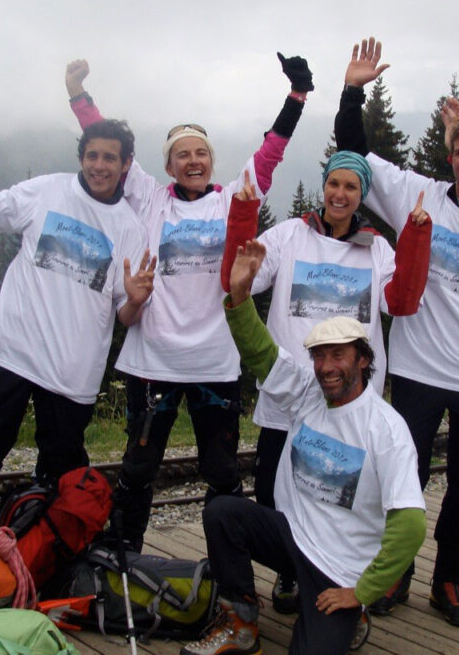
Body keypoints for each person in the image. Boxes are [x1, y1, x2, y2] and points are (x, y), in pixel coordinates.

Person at [66, 54, 312, 550]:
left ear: (212, 161)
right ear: (167, 165)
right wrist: (79, 97)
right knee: (137, 469)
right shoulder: (151, 199)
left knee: (222, 473)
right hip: (152, 361)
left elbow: (270, 154)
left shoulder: (232, 201)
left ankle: (228, 568)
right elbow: (108, 149)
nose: (193, 160)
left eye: (201, 153)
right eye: (183, 154)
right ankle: (124, 559)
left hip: (215, 363)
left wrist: (297, 97)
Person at [334, 38, 459, 623]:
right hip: (419, 373)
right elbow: (354, 155)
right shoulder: (416, 197)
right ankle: (395, 572)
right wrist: (353, 91)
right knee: (405, 480)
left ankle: (452, 578)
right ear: (451, 155)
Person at [182, 239, 428, 655]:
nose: (327, 368)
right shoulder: (307, 394)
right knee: (223, 513)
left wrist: (362, 590)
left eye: (338, 355)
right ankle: (240, 622)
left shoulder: (386, 429)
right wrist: (239, 296)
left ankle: (353, 616)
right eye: (319, 357)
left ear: (363, 359)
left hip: (339, 568)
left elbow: (411, 526)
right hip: (293, 537)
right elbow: (260, 353)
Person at [219, 150, 431, 614]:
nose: (340, 194)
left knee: (345, 495)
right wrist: (241, 218)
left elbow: (403, 301)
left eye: (351, 187)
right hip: (292, 391)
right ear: (323, 186)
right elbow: (236, 280)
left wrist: (415, 236)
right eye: (334, 184)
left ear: (361, 195)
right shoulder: (290, 235)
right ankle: (289, 575)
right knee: (278, 487)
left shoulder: (377, 248)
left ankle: (350, 577)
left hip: (350, 402)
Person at [0, 109, 155, 527]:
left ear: (126, 164)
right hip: (10, 351)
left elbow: (125, 318)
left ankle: (44, 557)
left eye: (110, 158)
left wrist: (134, 301)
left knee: (62, 472)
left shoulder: (130, 228)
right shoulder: (45, 191)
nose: (100, 166)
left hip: (71, 371)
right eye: (92, 156)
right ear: (82, 158)